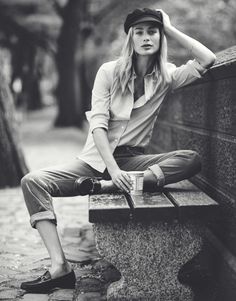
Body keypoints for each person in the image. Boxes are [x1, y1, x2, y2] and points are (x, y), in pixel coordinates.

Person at [20, 8, 216, 293]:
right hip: (95, 162)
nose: (146, 37)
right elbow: (97, 125)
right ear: (131, 38)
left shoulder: (166, 76)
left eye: (153, 32)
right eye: (139, 32)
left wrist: (170, 27)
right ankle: (60, 266)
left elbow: (208, 59)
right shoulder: (109, 72)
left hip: (132, 160)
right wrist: (112, 168)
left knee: (191, 159)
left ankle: (107, 187)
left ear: (160, 38)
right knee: (32, 181)